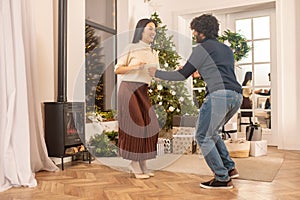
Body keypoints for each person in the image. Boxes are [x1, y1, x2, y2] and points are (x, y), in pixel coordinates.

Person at [148, 14, 242, 189]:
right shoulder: (225, 49)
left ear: (201, 32)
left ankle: (221, 178)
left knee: (202, 135)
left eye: (194, 31)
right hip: (235, 96)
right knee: (212, 132)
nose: (193, 34)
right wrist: (200, 71)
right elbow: (220, 70)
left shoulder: (202, 48)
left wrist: (156, 73)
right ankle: (229, 169)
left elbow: (181, 75)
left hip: (218, 96)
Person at [114, 18, 160, 179]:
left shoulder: (153, 53)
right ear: (141, 30)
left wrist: (164, 74)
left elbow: (157, 77)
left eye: (154, 29)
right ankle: (133, 163)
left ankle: (143, 163)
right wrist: (135, 67)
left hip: (143, 90)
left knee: (151, 124)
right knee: (136, 125)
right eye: (150, 28)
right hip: (128, 88)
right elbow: (118, 69)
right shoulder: (131, 48)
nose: (153, 32)